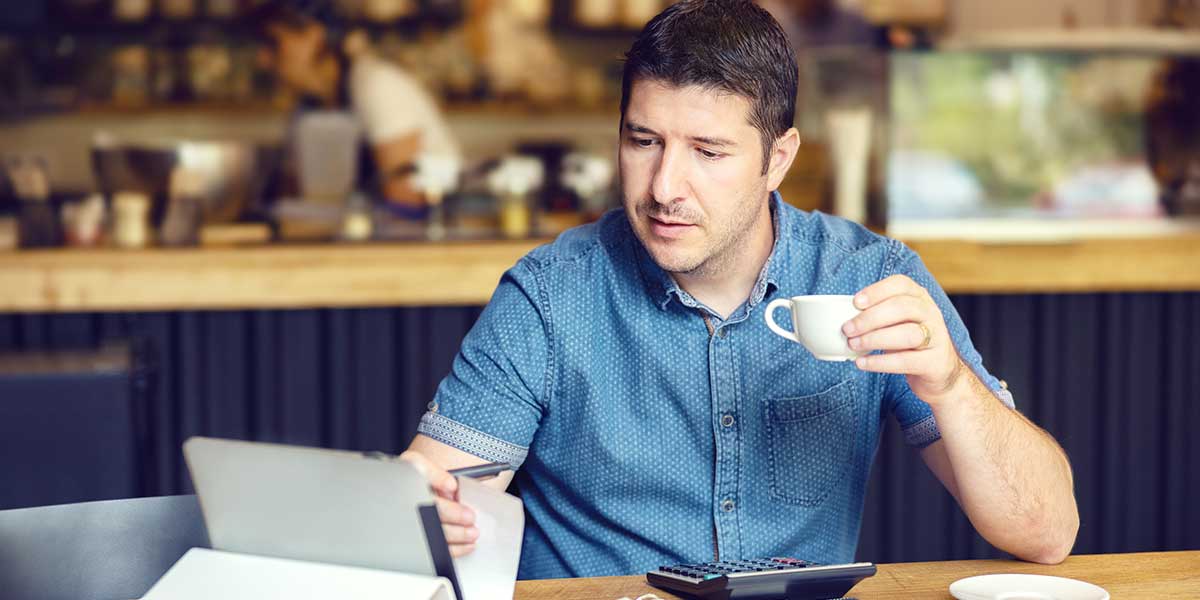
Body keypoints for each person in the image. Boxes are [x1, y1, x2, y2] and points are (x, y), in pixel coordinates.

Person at [400, 0, 1079, 579]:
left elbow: (1047, 533)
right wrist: (433, 516)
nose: (664, 187)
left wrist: (952, 386)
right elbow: (427, 505)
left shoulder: (866, 277)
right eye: (643, 141)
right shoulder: (551, 295)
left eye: (708, 151)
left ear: (777, 159)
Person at [250, 0, 460, 211]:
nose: (263, 60)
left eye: (273, 43)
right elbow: (297, 195)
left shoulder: (376, 86)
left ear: (313, 36)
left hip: (433, 232)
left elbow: (406, 198)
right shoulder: (307, 109)